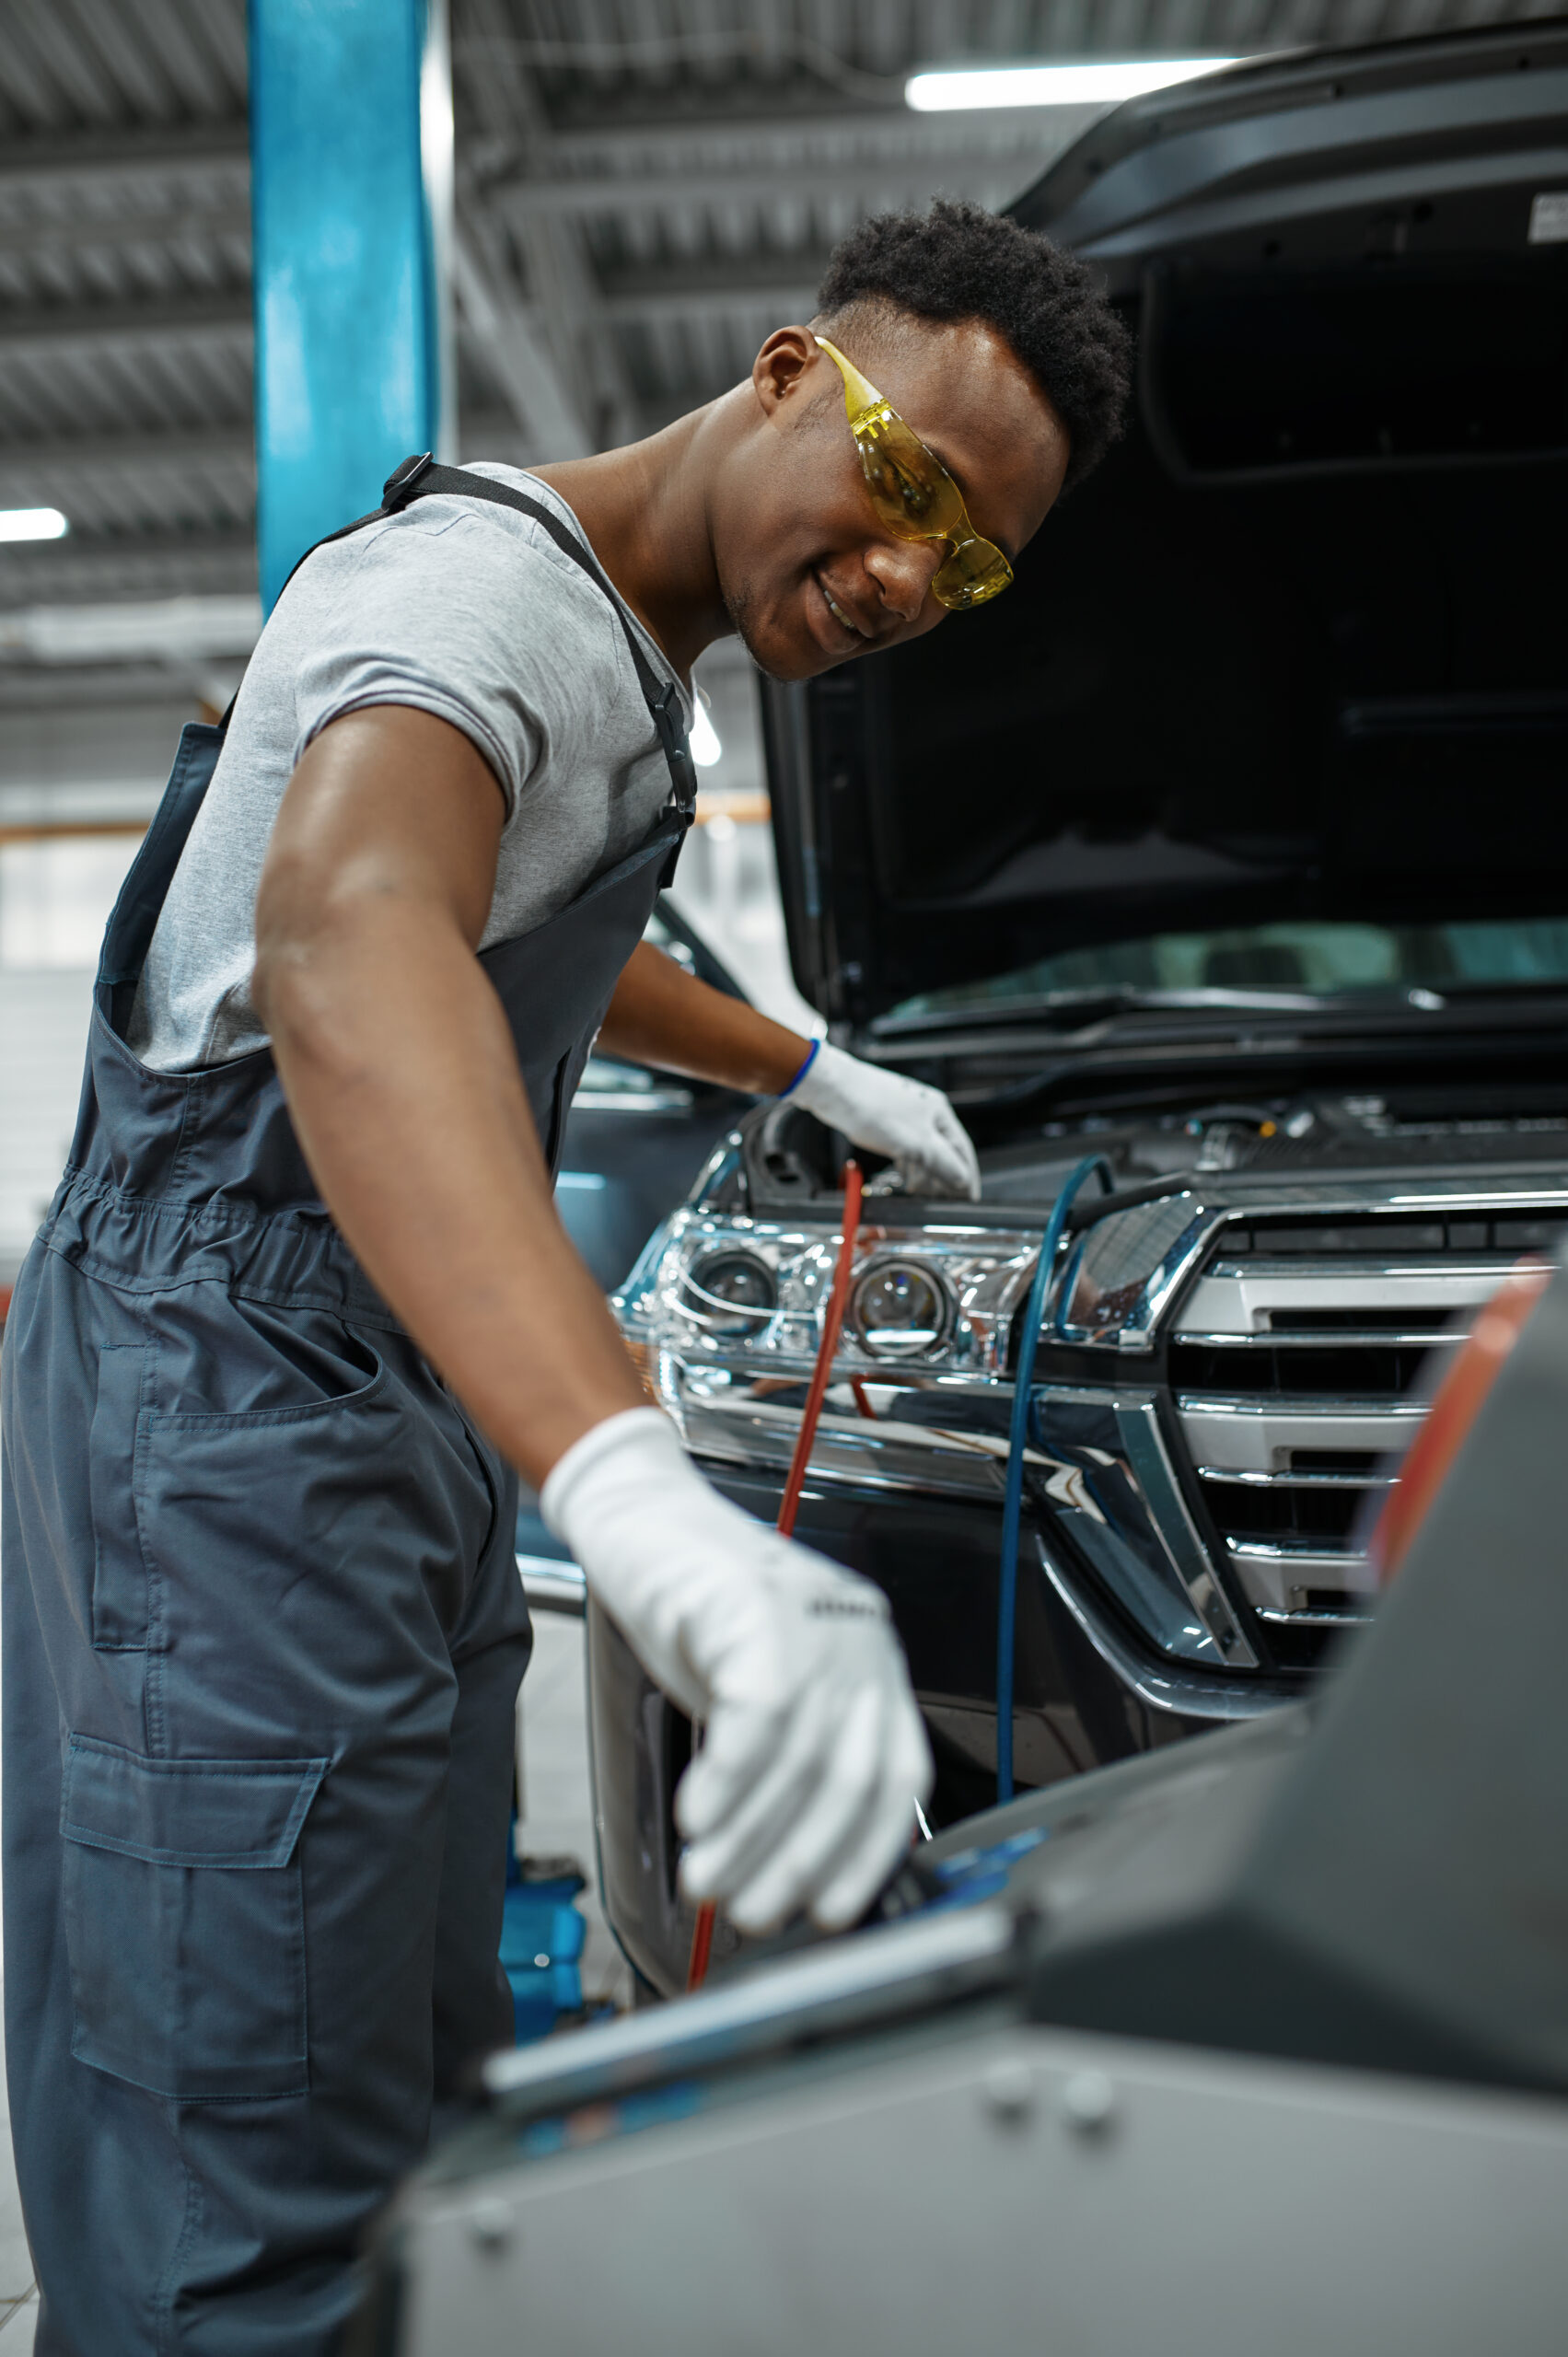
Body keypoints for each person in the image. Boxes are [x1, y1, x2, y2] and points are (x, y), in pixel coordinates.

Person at [0, 200, 1130, 2353]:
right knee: (239, 2174)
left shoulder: (631, 658)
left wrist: (800, 1055)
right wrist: (621, 1479)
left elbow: (522, 942)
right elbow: (354, 944)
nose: (909, 580)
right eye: (907, 488)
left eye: (965, 560)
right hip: (226, 1401)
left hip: (378, 1389)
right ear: (795, 369)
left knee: (409, 2086)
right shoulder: (485, 601)